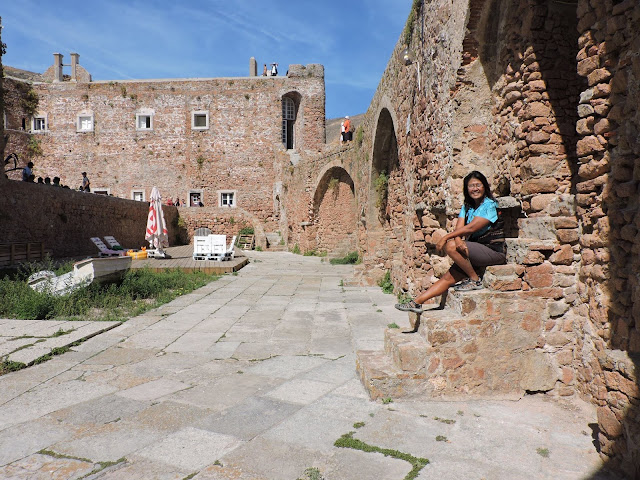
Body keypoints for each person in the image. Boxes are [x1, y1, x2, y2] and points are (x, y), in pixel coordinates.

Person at [395, 171, 506, 314]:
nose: (475, 189)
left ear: (484, 186)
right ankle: (416, 303)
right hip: (473, 252)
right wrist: (458, 239)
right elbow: (460, 228)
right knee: (447, 278)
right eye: (471, 186)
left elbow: (472, 227)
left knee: (451, 245)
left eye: (478, 185)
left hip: (492, 251)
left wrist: (446, 237)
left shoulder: (490, 205)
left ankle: (474, 279)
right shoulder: (467, 207)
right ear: (466, 189)